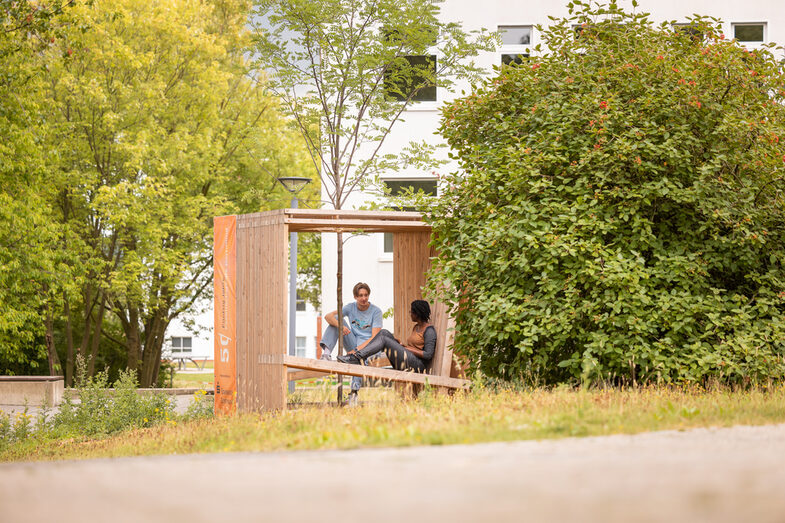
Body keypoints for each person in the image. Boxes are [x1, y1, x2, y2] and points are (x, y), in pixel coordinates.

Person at [319, 282, 383, 405]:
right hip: (354, 342)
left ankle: (354, 393)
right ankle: (326, 354)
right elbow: (328, 316)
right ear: (355, 297)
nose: (364, 298)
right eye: (360, 295)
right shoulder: (350, 307)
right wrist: (341, 327)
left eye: (366, 295)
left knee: (358, 358)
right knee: (337, 319)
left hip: (371, 347)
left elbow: (376, 337)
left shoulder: (376, 312)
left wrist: (358, 350)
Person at [337, 300, 435, 375]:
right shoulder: (416, 327)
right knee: (384, 332)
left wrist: (404, 348)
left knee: (384, 339)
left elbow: (428, 354)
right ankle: (359, 357)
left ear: (418, 313)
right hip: (409, 359)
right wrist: (401, 345)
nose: (410, 314)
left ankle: (357, 357)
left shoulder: (429, 331)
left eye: (411, 312)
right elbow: (414, 347)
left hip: (418, 366)